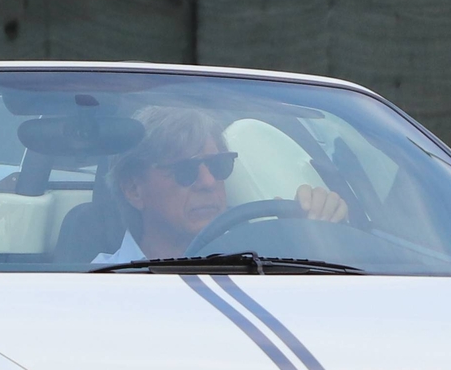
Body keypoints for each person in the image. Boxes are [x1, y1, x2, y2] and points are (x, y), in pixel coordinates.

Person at [91, 105, 348, 265]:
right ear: (134, 189)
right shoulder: (93, 286)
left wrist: (319, 229)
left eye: (218, 165)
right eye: (185, 170)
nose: (209, 182)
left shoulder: (272, 259)